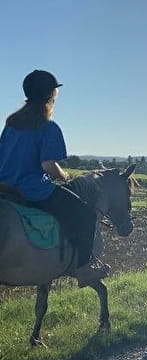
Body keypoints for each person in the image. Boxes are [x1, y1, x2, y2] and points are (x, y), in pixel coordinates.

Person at [0, 70, 108, 286]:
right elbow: (48, 165)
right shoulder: (48, 127)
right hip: (33, 190)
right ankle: (85, 268)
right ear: (50, 94)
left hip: (5, 187)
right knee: (86, 214)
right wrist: (63, 175)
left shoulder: (11, 125)